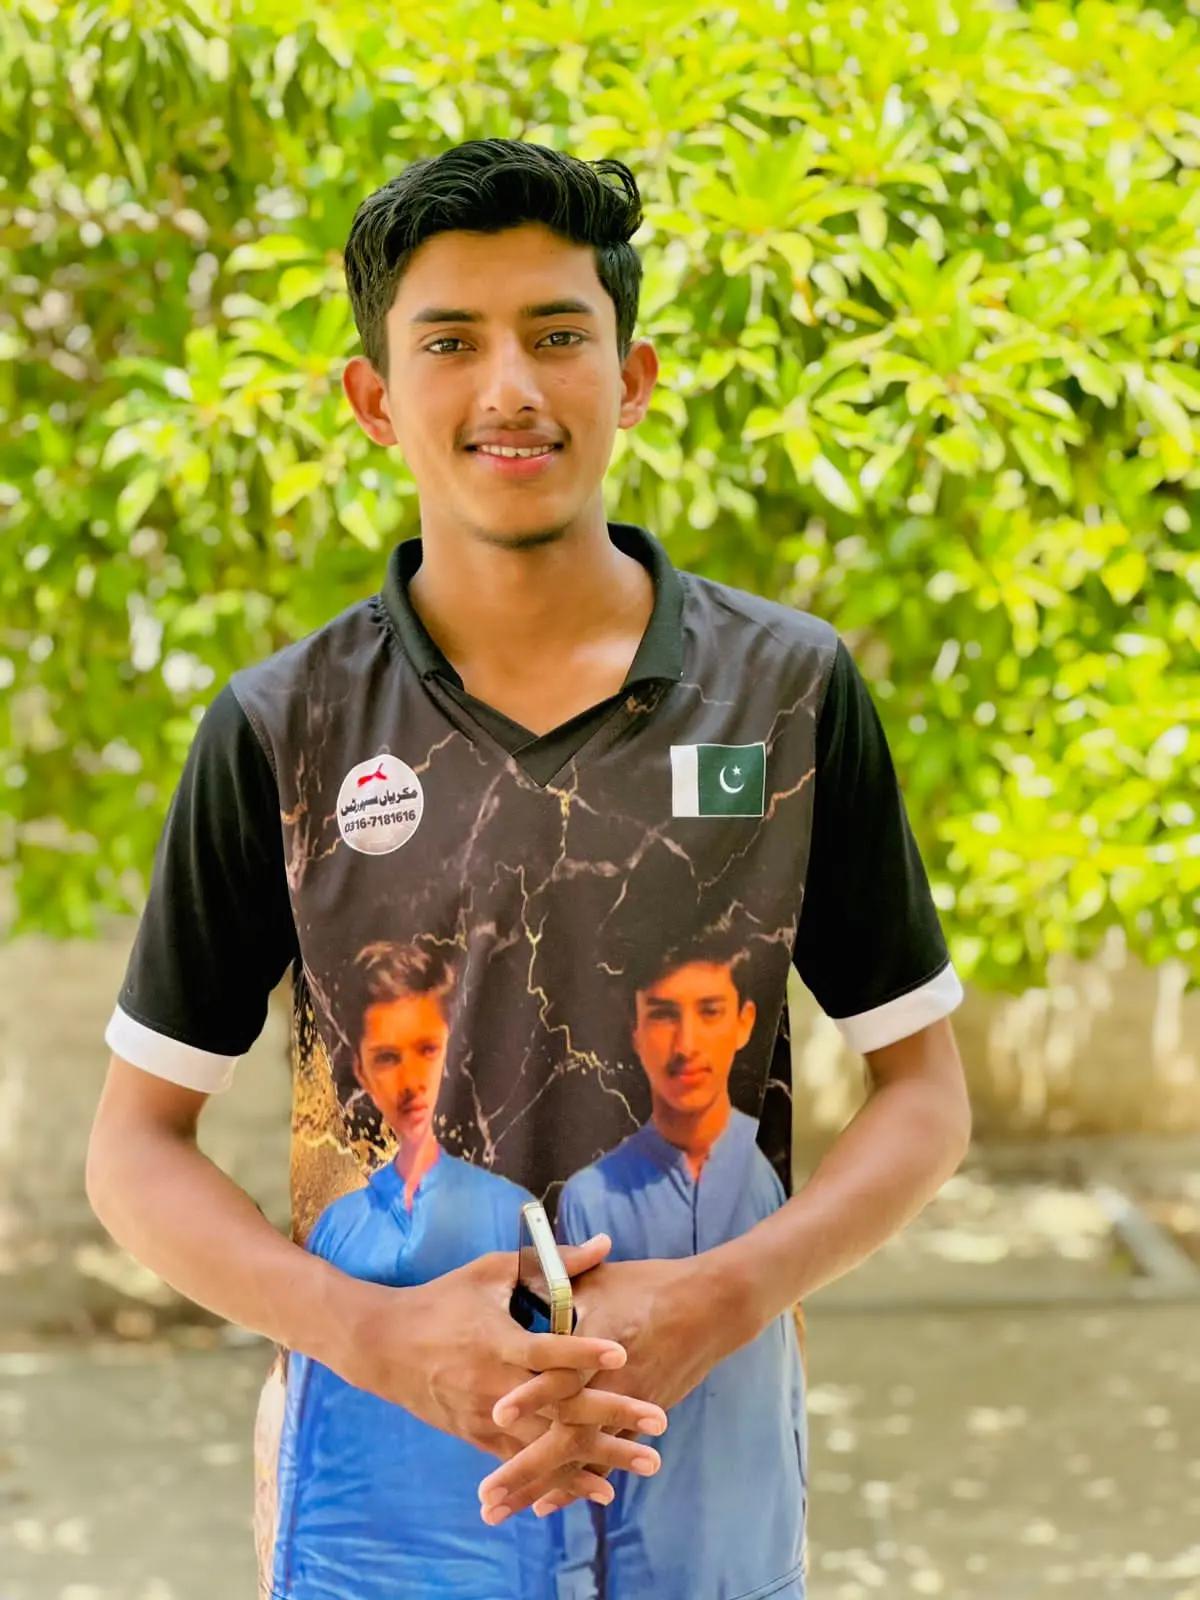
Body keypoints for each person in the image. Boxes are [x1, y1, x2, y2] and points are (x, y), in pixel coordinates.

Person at [87, 138, 972, 1600]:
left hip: (704, 1468)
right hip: (380, 1489)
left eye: (559, 334)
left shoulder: (788, 695)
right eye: (451, 342)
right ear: (375, 399)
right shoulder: (284, 727)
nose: (510, 386)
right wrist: (373, 1336)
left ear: (633, 379)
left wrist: (729, 1294)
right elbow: (134, 1150)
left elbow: (925, 1094)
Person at [270, 939, 554, 1599]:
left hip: (499, 1559)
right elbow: (312, 1437)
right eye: (387, 1057)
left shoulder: (514, 1214)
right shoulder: (338, 1226)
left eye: (427, 1050)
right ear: (362, 1073)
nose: (409, 1079)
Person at [551, 935, 808, 1597]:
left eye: (709, 1012)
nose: (686, 1043)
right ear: (636, 1032)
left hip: (763, 1565)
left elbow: (785, 1363)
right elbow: (566, 1406)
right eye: (664, 1015)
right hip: (637, 1569)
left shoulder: (761, 1176)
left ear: (745, 1024)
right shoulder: (593, 1196)